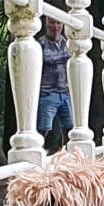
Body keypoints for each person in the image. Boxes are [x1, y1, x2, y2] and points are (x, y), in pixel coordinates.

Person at [37, 18, 73, 151]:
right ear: (46, 23)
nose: (55, 26)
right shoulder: (40, 44)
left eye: (59, 23)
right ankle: (39, 153)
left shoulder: (67, 43)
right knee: (44, 127)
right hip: (48, 92)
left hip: (66, 92)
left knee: (69, 127)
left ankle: (66, 155)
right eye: (52, 22)